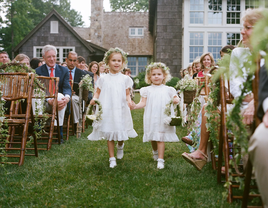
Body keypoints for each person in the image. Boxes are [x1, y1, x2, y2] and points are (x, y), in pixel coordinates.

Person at [87, 47, 137, 168]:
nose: (116, 63)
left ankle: (120, 146)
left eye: (119, 61)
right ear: (108, 62)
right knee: (110, 131)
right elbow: (98, 92)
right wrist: (94, 99)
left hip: (120, 107)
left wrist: (129, 101)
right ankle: (111, 158)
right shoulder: (103, 78)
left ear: (122, 63)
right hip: (108, 107)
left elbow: (127, 94)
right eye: (113, 60)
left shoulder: (125, 79)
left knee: (121, 129)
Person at [131, 62, 180, 169]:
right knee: (153, 136)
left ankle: (160, 160)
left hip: (163, 116)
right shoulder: (146, 90)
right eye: (153, 75)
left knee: (160, 137)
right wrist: (135, 106)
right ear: (149, 77)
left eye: (159, 74)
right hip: (151, 116)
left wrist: (176, 99)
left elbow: (176, 97)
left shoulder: (168, 89)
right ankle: (155, 152)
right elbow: (143, 103)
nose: (156, 76)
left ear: (164, 76)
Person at [35, 45, 72, 143]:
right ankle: (38, 127)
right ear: (43, 58)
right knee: (36, 96)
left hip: (58, 100)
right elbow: (39, 89)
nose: (52, 59)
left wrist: (67, 98)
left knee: (60, 96)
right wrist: (48, 99)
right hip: (43, 101)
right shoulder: (38, 71)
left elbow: (67, 87)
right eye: (49, 57)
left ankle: (59, 131)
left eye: (54, 56)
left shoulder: (63, 70)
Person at [65, 51, 91, 127]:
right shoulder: (62, 71)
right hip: (64, 95)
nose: (72, 63)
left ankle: (76, 124)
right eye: (70, 60)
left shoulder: (82, 73)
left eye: (74, 60)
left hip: (77, 96)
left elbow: (86, 90)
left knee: (73, 99)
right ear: (66, 60)